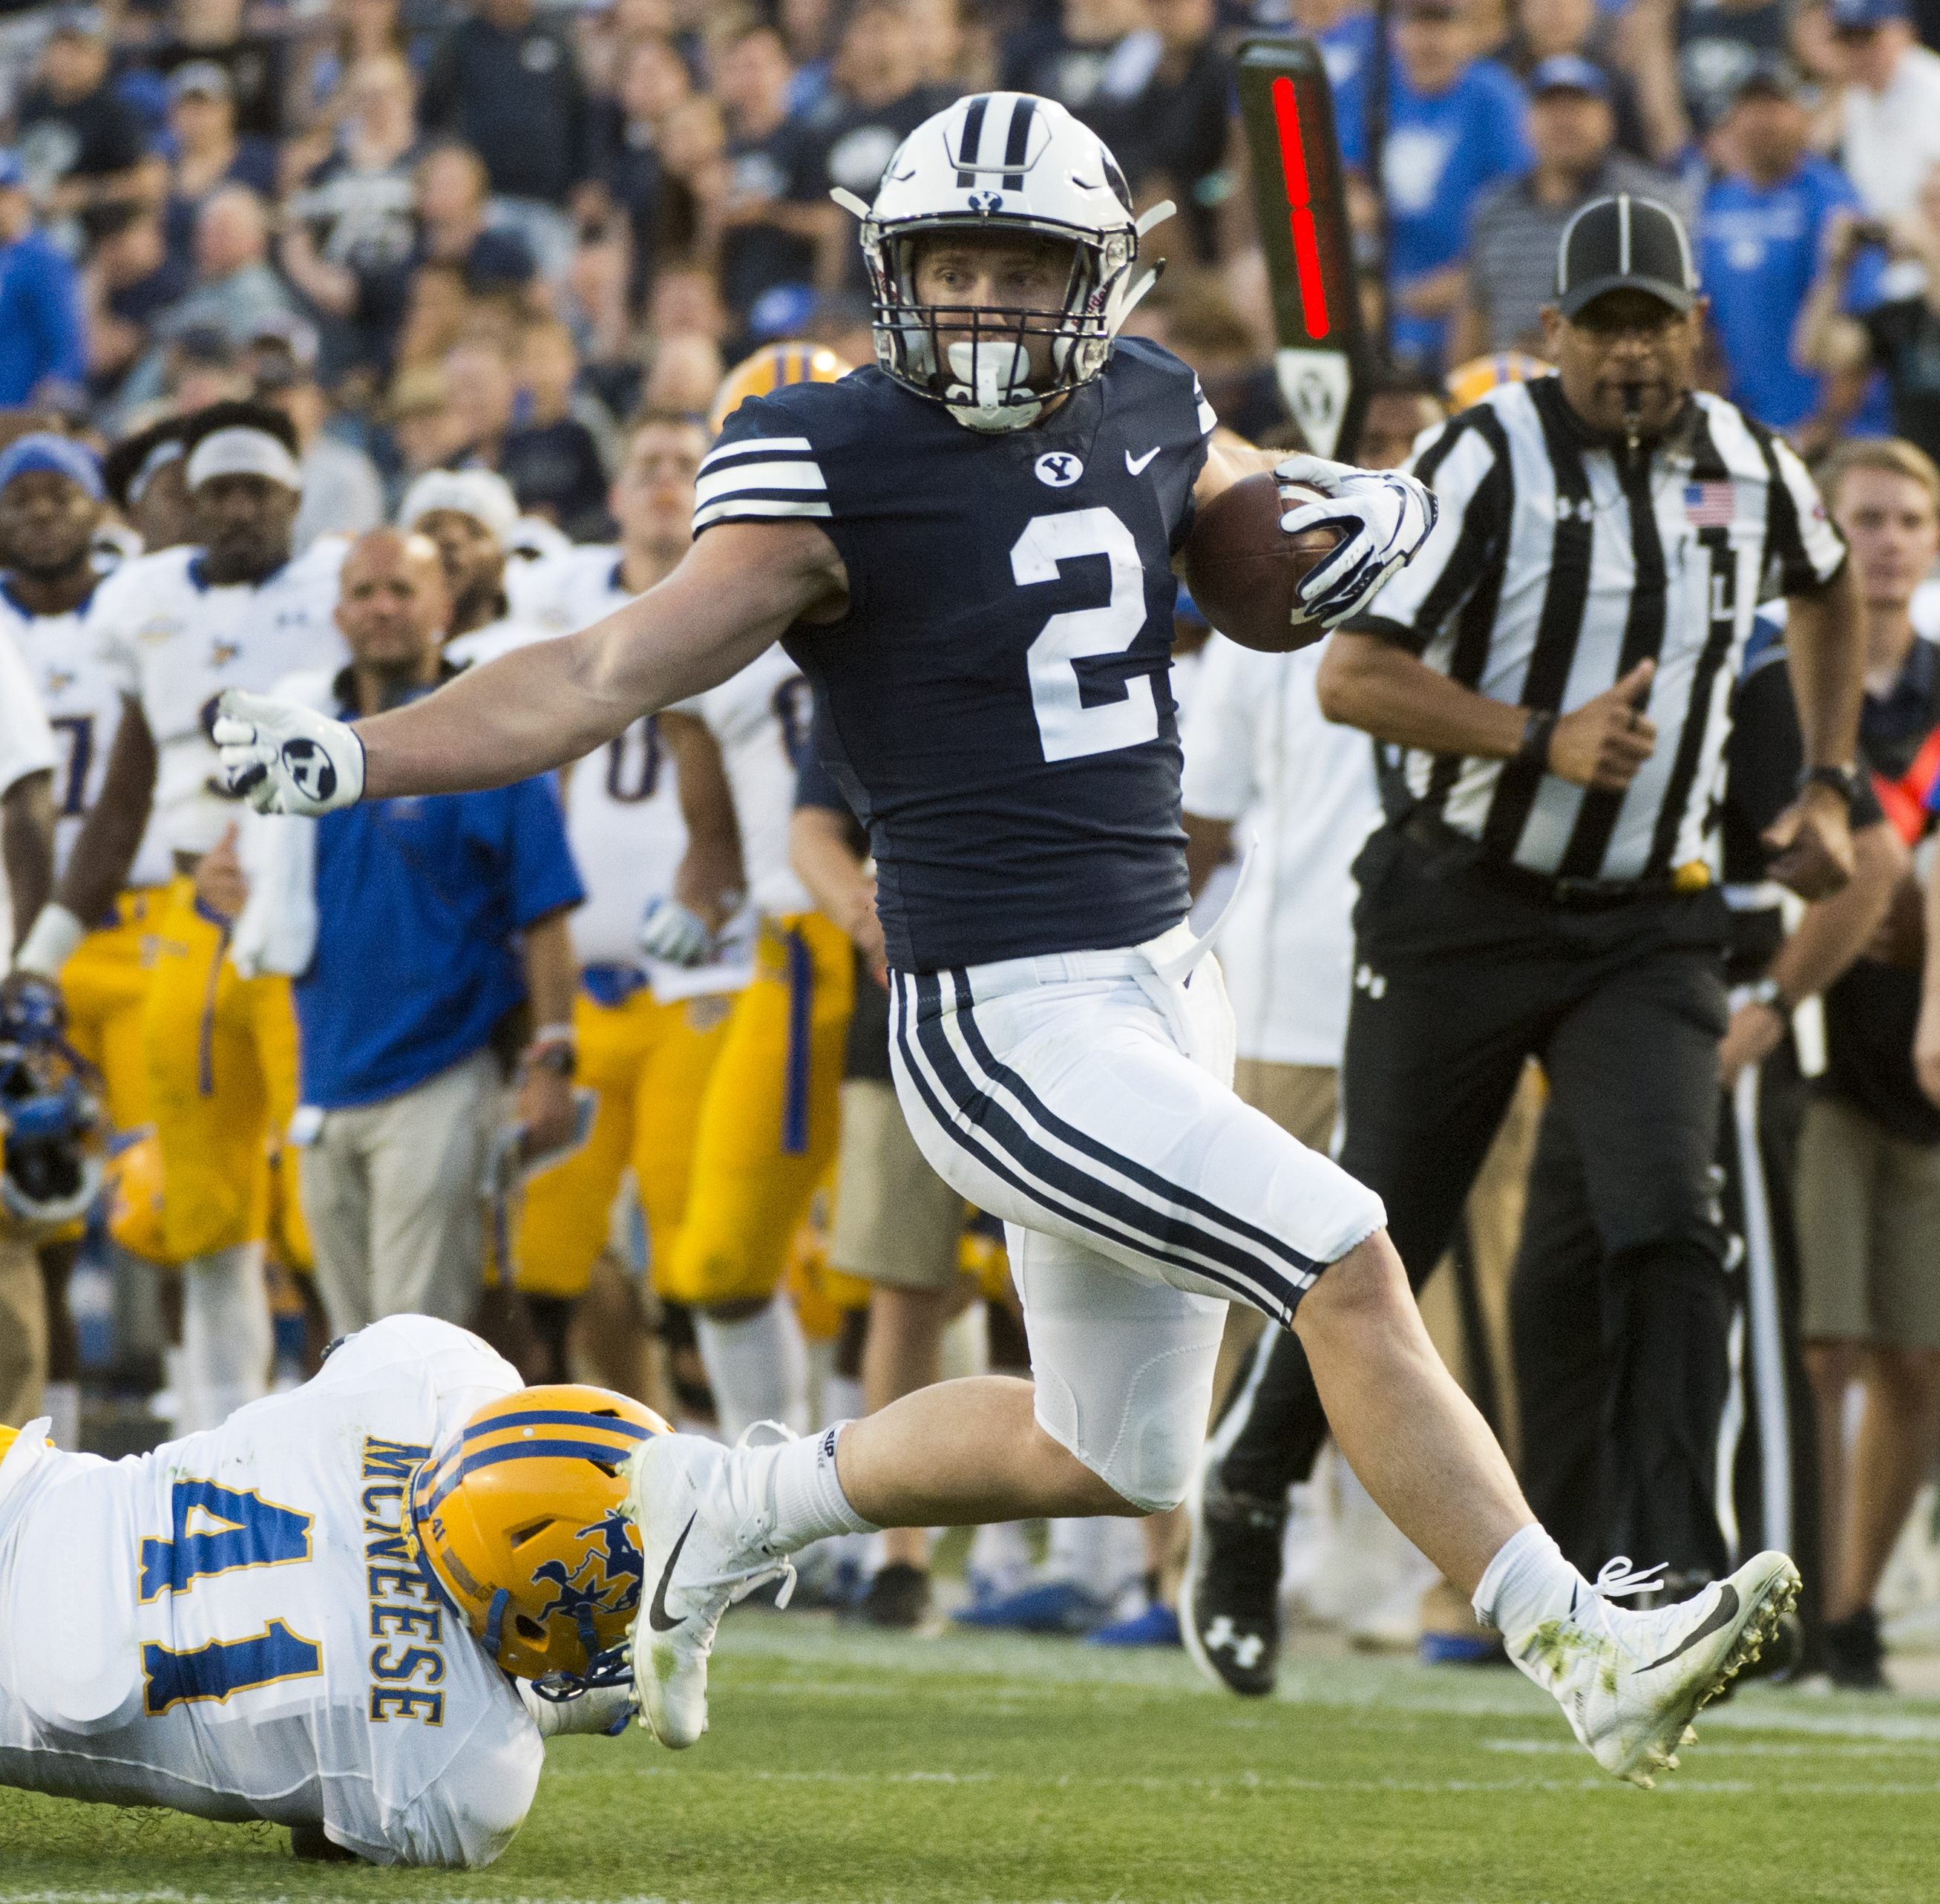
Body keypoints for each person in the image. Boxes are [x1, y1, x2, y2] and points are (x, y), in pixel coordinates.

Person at [219, 95, 1799, 1788]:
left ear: (1097, 278)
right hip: (1003, 1009)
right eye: (948, 264)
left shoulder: (1148, 399)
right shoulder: (827, 450)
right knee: (1342, 1251)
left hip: (1156, 978)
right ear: (892, 270)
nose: (977, 300)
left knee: (1110, 1456)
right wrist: (367, 751)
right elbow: (607, 668)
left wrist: (1380, 529)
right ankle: (1581, 1643)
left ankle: (709, 1504)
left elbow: (1262, 582)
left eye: (1019, 265)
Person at [1181, 192, 1856, 1690]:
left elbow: (1826, 589)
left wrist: (1824, 771)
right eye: (1599, 324)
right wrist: (1533, 737)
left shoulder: (1751, 467)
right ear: (1546, 336)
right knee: (1376, 1234)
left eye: (1651, 323)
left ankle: (1673, 1563)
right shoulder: (1478, 454)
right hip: (1457, 903)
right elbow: (1350, 677)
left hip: (1647, 923)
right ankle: (1248, 1486)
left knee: (1666, 1218)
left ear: (1693, 332)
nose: (1626, 351)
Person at [0, 1315, 652, 1865]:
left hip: (21, 1481)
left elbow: (342, 1360)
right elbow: (325, 1837)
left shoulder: (433, 1368)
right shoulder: (474, 1774)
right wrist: (545, 1703)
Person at [8, 402, 348, 1438]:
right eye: (219, 492)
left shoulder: (340, 589)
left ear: (293, 499)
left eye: (258, 490)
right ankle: (226, 1445)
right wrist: (45, 953)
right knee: (196, 1210)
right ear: (188, 505)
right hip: (185, 927)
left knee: (320, 1194)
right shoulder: (148, 603)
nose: (238, 510)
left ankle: (356, 1434)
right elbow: (124, 795)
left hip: (311, 919)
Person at [212, 529, 582, 1337]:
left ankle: (426, 1469)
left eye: (402, 591)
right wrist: (231, 890)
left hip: (442, 1068)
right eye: (366, 592)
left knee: (415, 1340)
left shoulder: (494, 738)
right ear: (338, 612)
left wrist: (553, 1052)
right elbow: (246, 879)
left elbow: (545, 912)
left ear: (443, 611)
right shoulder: (299, 739)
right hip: (324, 1069)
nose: (382, 609)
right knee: (352, 1345)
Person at [502, 413, 746, 1379]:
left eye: (683, 466)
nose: (660, 482)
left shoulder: (748, 598)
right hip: (587, 986)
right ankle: (575, 1452)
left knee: (707, 1259)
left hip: (703, 983)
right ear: (610, 497)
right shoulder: (561, 604)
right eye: (643, 465)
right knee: (544, 1257)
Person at [0, 434, 172, 1453]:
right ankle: (48, 1450)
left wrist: (29, 955)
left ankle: (203, 1408)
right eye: (20, 497)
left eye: (60, 493)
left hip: (129, 922)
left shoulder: (147, 601)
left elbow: (29, 799)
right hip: (45, 943)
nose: (40, 513)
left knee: (174, 1204)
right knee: (48, 1221)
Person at [1800, 439, 1940, 1687]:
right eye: (1865, 518)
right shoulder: (1796, 671)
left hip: (1921, 1062)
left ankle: (1848, 1609)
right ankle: (1794, 1588)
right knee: (1817, 1343)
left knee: (1912, 1355)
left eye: (1906, 518)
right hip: (1810, 1047)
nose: (1887, 540)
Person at [1334, 0, 1533, 373]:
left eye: (1444, 25)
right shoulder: (1369, 85)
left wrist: (1405, 300)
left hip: (1465, 290)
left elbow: (1522, 208)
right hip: (1375, 284)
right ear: (1395, 33)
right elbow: (1341, 175)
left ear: (1470, 33)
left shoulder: (1494, 97)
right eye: (1417, 24)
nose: (1430, 41)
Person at [1698, 55, 1878, 445]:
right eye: (1750, 105)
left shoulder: (1834, 200)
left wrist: (1824, 428)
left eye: (1777, 105)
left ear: (1804, 117)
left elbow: (1862, 328)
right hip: (1747, 429)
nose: (1763, 119)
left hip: (1832, 434)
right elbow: (1706, 329)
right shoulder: (1718, 203)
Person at [1457, 56, 1683, 362]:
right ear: (1526, 119)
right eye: (1550, 108)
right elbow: (1475, 315)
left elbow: (1667, 322)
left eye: (1577, 107)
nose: (1563, 121)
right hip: (1509, 392)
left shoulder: (1644, 204)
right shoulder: (1494, 206)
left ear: (1608, 118)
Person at [420, 0, 591, 283]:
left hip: (551, 202)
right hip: (484, 203)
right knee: (485, 293)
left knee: (556, 298)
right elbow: (432, 114)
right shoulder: (459, 41)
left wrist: (587, 179)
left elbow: (581, 115)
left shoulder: (555, 39)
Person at [1795, 178, 1940, 471]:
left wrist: (1929, 251)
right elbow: (1814, 352)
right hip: (1922, 488)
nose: (1926, 217)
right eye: (1925, 203)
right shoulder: (1901, 314)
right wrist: (1837, 267)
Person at [1829, 0, 1940, 221]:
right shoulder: (1855, 97)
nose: (1858, 52)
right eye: (1848, 41)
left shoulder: (1932, 87)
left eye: (1869, 38)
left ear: (1903, 31)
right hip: (1882, 242)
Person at [0, 154, 85, 408]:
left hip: (19, 409)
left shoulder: (43, 259)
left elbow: (67, 343)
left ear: (21, 196)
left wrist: (48, 403)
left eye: (4, 195)